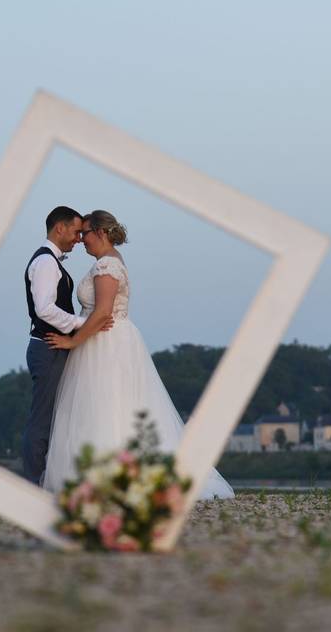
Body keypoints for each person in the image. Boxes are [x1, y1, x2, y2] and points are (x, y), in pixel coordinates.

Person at [41, 210, 234, 499]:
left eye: (86, 234)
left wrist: (72, 342)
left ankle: (106, 475)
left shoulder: (107, 265)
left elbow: (103, 312)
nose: (82, 240)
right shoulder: (110, 262)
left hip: (103, 343)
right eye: (79, 235)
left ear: (102, 233)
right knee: (104, 406)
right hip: (104, 339)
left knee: (104, 406)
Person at [21, 206, 113, 485]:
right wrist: (80, 324)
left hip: (55, 346)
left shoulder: (52, 262)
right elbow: (45, 309)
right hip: (48, 346)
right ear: (59, 228)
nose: (78, 238)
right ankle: (34, 482)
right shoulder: (47, 263)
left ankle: (48, 479)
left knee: (54, 416)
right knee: (43, 418)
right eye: (75, 232)